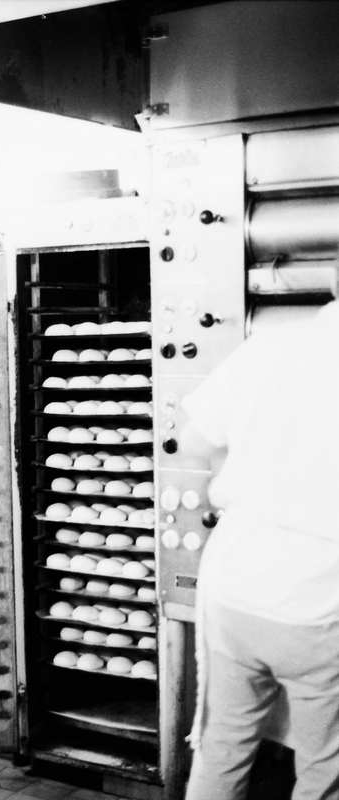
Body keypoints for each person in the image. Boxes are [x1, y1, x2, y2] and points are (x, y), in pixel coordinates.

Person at [181, 299, 339, 800]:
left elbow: (191, 439)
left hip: (235, 589)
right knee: (324, 769)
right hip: (319, 606)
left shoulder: (272, 344)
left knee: (221, 750)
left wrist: (246, 471)